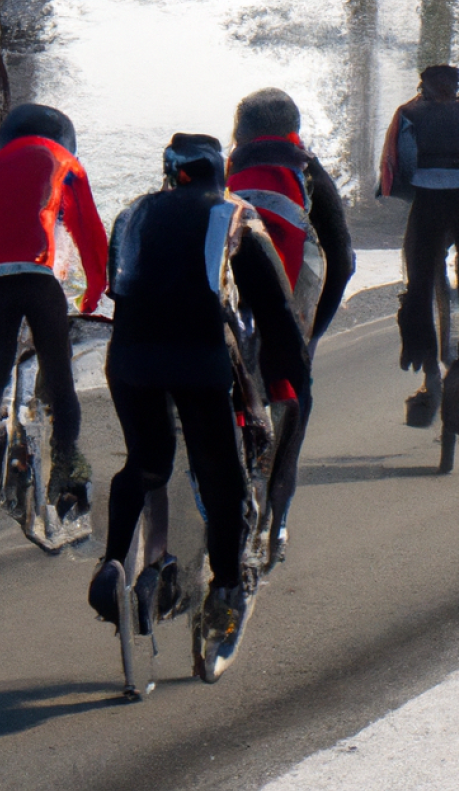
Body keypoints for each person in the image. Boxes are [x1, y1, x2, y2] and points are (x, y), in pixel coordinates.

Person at [89, 134, 309, 682]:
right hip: (200, 360)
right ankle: (227, 587)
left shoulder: (133, 213)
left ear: (170, 174)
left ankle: (115, 562)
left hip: (130, 359)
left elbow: (118, 287)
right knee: (220, 476)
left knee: (147, 458)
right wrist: (297, 382)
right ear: (218, 172)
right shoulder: (235, 216)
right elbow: (277, 311)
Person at [0, 103, 108, 536]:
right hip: (35, 279)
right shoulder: (63, 161)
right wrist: (93, 293)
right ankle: (67, 470)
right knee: (59, 375)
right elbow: (87, 230)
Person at [226, 88, 354, 565]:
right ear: (293, 127)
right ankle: (276, 520)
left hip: (226, 301)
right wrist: (313, 334)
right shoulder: (306, 170)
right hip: (287, 298)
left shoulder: (225, 168)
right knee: (295, 395)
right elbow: (341, 259)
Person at [378, 65, 459, 440]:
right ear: (457, 89)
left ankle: (428, 366)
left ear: (423, 86)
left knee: (418, 284)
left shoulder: (408, 113)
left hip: (429, 206)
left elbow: (400, 170)